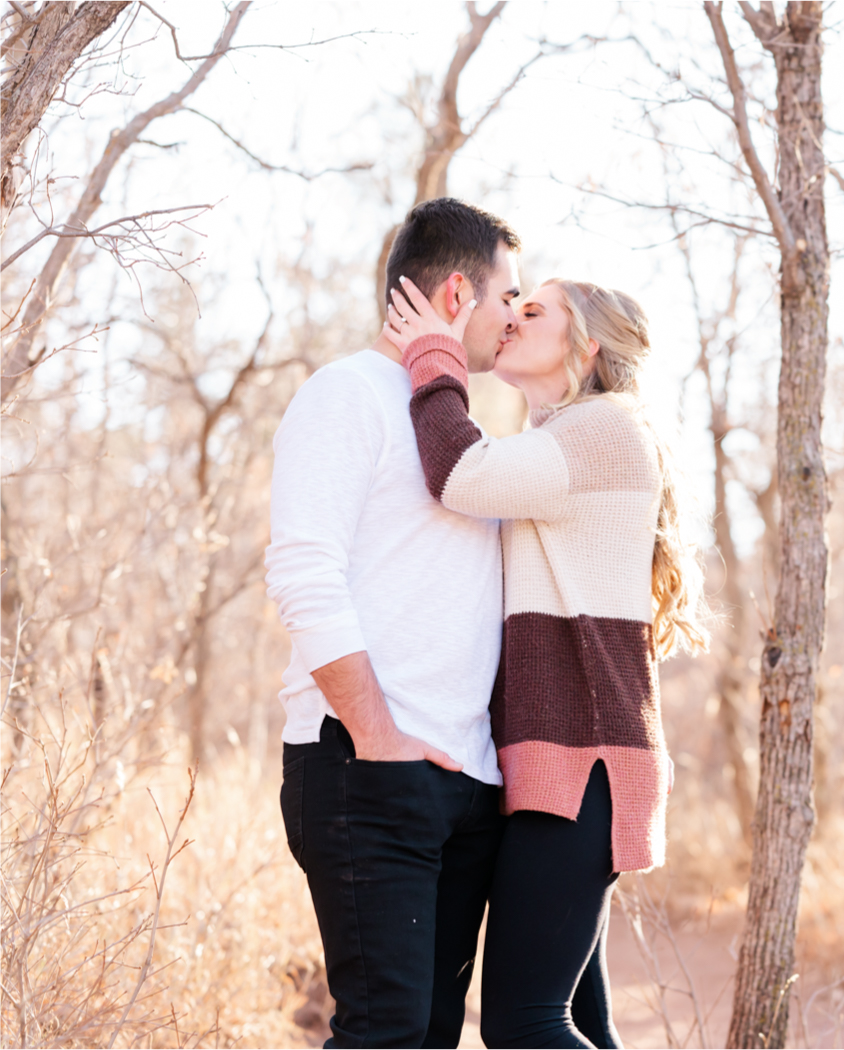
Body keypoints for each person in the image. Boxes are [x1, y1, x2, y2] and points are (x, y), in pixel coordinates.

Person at [384, 273, 709, 1049]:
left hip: (581, 762)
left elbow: (459, 475)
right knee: (579, 1021)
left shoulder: (597, 430)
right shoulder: (570, 436)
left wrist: (434, 358)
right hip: (565, 761)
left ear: (586, 344)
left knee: (525, 1026)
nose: (513, 320)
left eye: (535, 313)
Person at [264, 197, 521, 1048]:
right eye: (504, 298)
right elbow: (303, 572)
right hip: (367, 768)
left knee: (434, 1035)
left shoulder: (456, 424)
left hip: (465, 785)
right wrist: (376, 736)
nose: (513, 318)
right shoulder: (346, 394)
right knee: (385, 1034)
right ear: (457, 295)